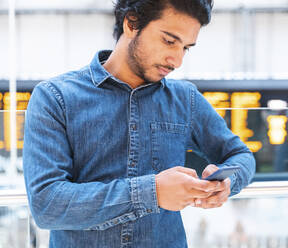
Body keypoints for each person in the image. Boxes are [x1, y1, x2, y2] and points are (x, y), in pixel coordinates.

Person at [23, 0, 256, 247]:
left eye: (186, 48)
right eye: (169, 41)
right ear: (131, 23)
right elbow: (47, 204)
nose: (177, 60)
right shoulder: (55, 98)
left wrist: (228, 182)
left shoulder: (184, 99)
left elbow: (241, 155)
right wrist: (152, 192)